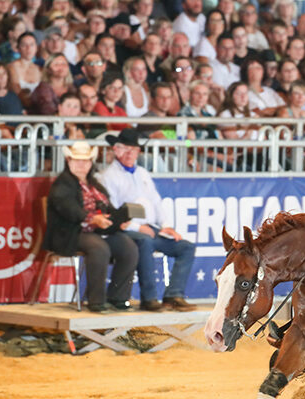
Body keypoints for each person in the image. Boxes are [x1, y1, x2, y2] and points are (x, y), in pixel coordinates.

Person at [100, 129, 197, 312]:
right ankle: (149, 298)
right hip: (126, 231)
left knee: (186, 247)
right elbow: (113, 213)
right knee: (144, 242)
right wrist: (138, 226)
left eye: (134, 149)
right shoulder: (107, 176)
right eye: (126, 149)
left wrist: (166, 226)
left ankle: (173, 295)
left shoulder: (142, 173)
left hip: (152, 229)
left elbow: (156, 202)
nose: (130, 154)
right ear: (117, 150)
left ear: (138, 151)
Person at [44, 141, 138, 313]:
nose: (82, 164)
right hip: (69, 233)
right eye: (77, 160)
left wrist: (116, 220)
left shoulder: (94, 184)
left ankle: (118, 298)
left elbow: (107, 207)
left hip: (96, 231)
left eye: (86, 161)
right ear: (69, 161)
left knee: (128, 246)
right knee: (98, 247)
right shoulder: (62, 184)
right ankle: (96, 301)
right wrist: (92, 219)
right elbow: (68, 209)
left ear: (90, 163)